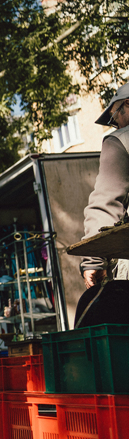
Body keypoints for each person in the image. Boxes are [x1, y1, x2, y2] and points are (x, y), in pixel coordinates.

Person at [81, 81, 129, 288]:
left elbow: (106, 203)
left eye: (114, 116)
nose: (115, 124)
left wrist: (94, 260)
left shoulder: (121, 141)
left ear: (127, 105)